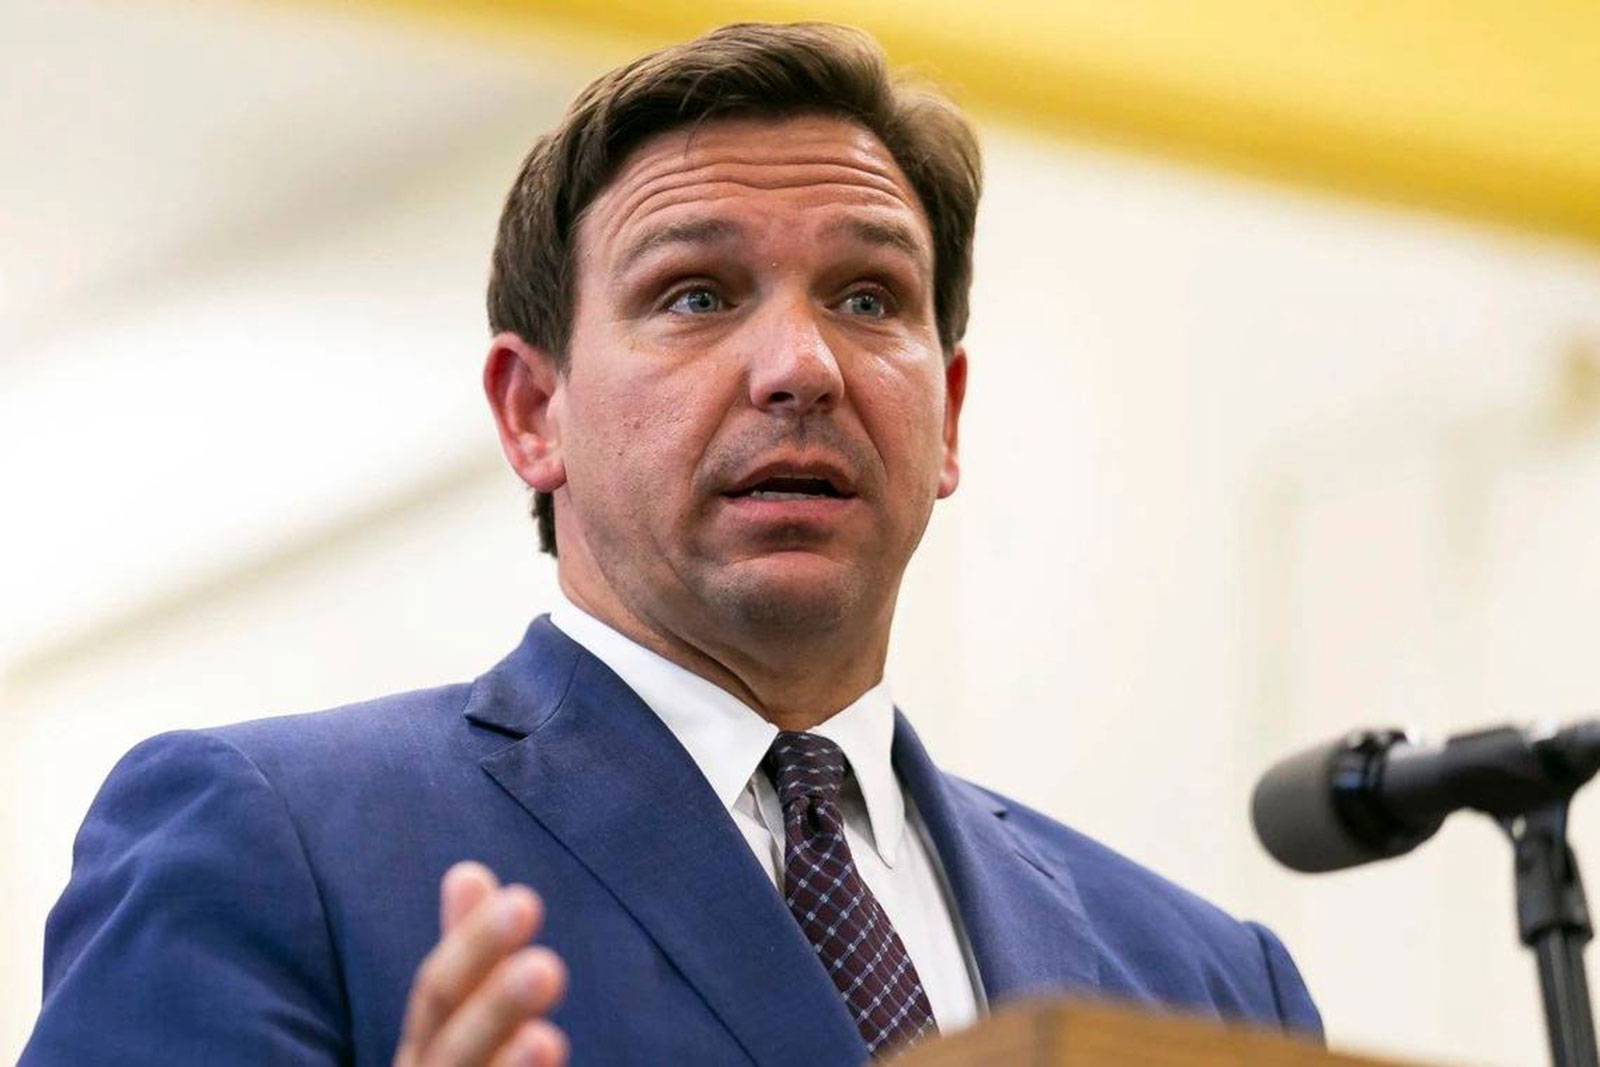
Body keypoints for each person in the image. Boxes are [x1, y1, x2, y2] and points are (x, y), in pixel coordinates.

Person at [22, 22, 1320, 1066]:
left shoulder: (1207, 988)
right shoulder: (269, 845)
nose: (801, 365)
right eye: (695, 293)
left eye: (868, 297)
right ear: (536, 413)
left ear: (951, 417)